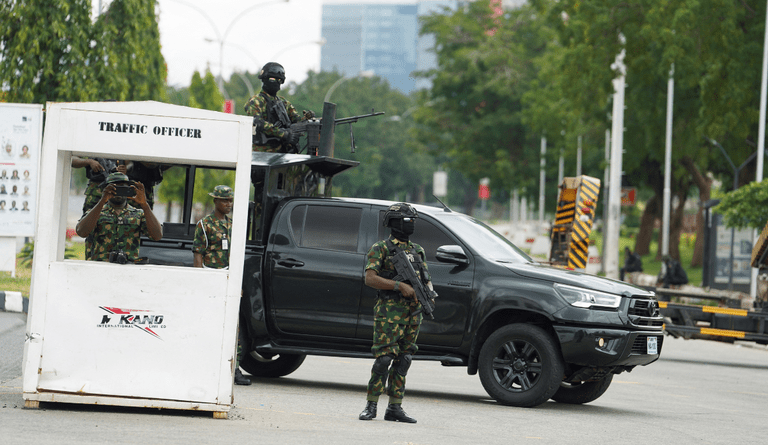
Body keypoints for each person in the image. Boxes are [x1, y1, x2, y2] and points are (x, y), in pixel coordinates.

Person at [358, 203, 436, 424]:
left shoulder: (417, 250)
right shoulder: (380, 248)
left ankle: (395, 407)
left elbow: (425, 279)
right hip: (389, 313)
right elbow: (370, 278)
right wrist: (398, 286)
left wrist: (427, 295)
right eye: (406, 220)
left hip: (413, 313)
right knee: (384, 359)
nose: (410, 224)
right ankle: (371, 404)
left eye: (412, 220)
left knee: (405, 359)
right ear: (394, 223)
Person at [191, 185, 250, 386]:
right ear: (215, 201)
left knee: (234, 325)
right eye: (225, 200)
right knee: (207, 323)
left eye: (231, 201)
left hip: (228, 277)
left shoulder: (234, 225)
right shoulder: (204, 224)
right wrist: (201, 282)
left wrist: (238, 282)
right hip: (210, 276)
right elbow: (198, 253)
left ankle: (235, 369)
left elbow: (237, 256)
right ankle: (202, 365)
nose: (229, 204)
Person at [75, 172, 162, 262]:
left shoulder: (139, 214)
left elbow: (157, 236)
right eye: (115, 188)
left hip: (128, 267)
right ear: (106, 189)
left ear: (128, 189)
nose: (118, 192)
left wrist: (145, 205)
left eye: (122, 188)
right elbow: (81, 232)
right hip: (101, 267)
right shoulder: (96, 212)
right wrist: (102, 201)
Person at [244, 62, 314, 153]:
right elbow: (257, 122)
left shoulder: (283, 102)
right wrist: (283, 134)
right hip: (263, 153)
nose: (276, 82)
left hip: (284, 153)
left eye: (279, 80)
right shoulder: (256, 101)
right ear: (264, 79)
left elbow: (297, 121)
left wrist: (308, 119)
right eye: (273, 79)